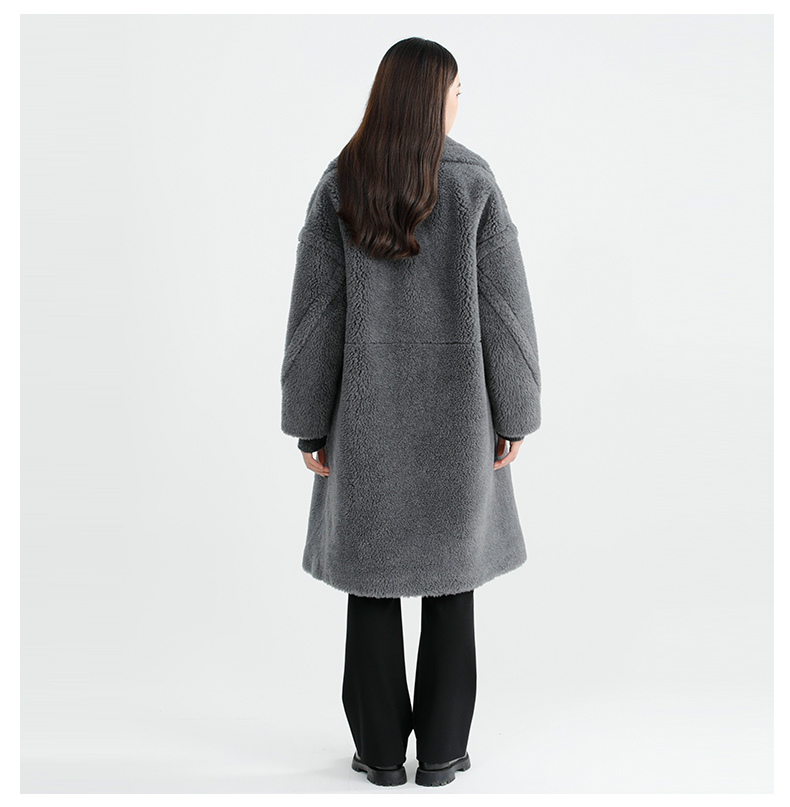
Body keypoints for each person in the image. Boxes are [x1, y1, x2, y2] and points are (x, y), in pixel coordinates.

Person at [280, 37, 541, 787]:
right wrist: (515, 412)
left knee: (371, 585)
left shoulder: (340, 182)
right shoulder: (473, 183)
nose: (461, 103)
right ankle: (444, 754)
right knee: (451, 586)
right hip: (460, 421)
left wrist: (309, 421)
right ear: (433, 99)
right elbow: (507, 314)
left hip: (365, 426)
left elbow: (314, 318)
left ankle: (380, 755)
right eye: (456, 91)